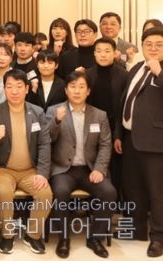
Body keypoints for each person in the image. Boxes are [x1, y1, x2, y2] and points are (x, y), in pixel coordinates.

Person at [47, 71, 115, 258]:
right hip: (63, 170)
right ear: (66, 90)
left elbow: (105, 144)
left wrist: (100, 169)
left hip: (89, 169)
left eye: (81, 87)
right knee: (60, 192)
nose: (77, 91)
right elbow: (46, 140)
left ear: (88, 91)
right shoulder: (54, 111)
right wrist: (56, 121)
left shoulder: (99, 115)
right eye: (73, 87)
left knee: (109, 192)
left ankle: (95, 238)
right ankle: (64, 238)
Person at [0, 69, 52, 255]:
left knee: (45, 194)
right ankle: (7, 235)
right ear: (4, 89)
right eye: (9, 87)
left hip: (30, 170)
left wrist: (42, 173)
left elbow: (44, 143)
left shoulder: (37, 112)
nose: (14, 91)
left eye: (19, 86)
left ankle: (33, 235)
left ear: (27, 89)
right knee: (4, 193)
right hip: (3, 169)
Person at [114, 27, 163, 256]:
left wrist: (159, 73)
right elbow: (124, 102)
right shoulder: (136, 68)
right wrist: (118, 133)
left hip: (156, 142)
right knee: (132, 188)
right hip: (129, 138)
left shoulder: (159, 69)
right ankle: (136, 229)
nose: (153, 48)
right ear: (141, 46)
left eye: (159, 44)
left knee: (157, 193)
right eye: (148, 44)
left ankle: (158, 238)